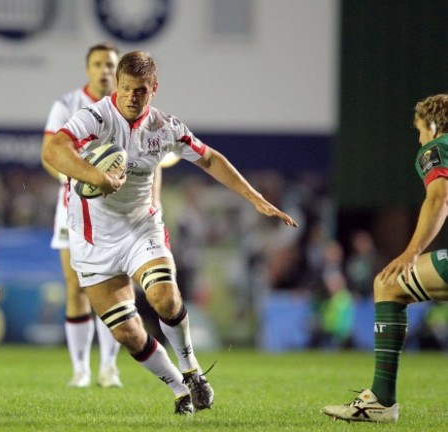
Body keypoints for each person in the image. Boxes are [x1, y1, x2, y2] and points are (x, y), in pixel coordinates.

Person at [42, 50, 298, 414]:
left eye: (141, 90)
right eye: (127, 88)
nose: (132, 97)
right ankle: (180, 390)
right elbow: (53, 150)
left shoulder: (165, 127)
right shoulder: (95, 117)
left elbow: (209, 158)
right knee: (127, 333)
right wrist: (96, 176)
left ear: (154, 89)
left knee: (164, 297)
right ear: (117, 85)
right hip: (92, 238)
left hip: (139, 228)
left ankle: (192, 369)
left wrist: (254, 198)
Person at [323, 94, 448, 423]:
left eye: (420, 129)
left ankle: (381, 400)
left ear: (433, 126)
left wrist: (412, 252)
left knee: (388, 284)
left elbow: (439, 198)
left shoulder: (437, 147)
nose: (420, 138)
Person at [40, 42, 123, 388]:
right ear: (87, 69)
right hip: (72, 206)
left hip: (117, 209)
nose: (104, 70)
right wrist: (81, 179)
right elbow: (49, 154)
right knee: (75, 286)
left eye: (110, 65)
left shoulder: (128, 107)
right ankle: (80, 370)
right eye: (98, 64)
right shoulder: (67, 105)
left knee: (115, 288)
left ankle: (108, 367)